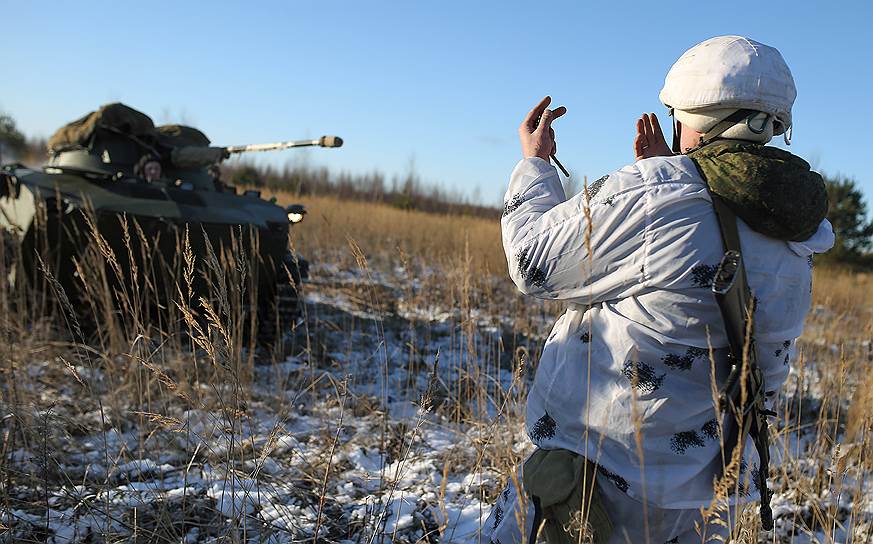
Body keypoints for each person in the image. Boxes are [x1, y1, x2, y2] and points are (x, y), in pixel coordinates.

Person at [484, 36, 833, 543]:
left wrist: (536, 165)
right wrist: (671, 177)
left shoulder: (660, 195)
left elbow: (531, 262)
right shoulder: (798, 228)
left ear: (691, 112)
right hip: (709, 493)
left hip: (600, 476)